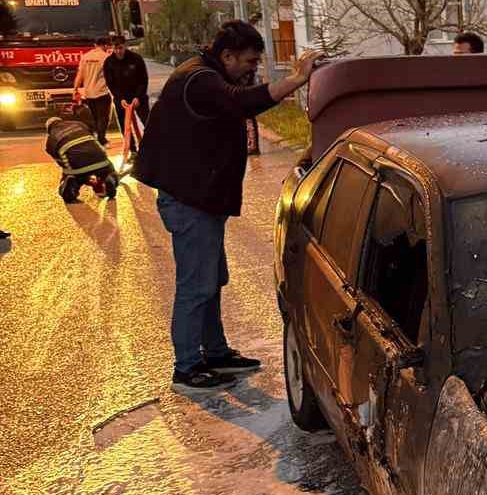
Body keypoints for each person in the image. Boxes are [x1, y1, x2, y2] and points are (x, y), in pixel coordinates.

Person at [136, 20, 319, 393]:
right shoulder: (200, 79)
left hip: (201, 198)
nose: (251, 70)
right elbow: (242, 104)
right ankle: (187, 367)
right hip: (189, 201)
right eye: (248, 62)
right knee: (195, 284)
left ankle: (215, 353)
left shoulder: (205, 74)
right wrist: (297, 79)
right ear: (227, 56)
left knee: (210, 281)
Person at [45, 104, 118, 202]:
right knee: (107, 169)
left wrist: (69, 174)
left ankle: (70, 186)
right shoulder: (78, 124)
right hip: (101, 161)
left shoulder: (51, 139)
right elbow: (91, 137)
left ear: (49, 130)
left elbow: (61, 162)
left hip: (78, 168)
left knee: (72, 174)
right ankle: (109, 177)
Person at [102, 33, 150, 143]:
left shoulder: (136, 59)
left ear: (125, 46)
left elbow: (143, 80)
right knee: (125, 125)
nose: (118, 51)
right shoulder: (109, 63)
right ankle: (131, 148)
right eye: (115, 48)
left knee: (147, 122)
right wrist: (120, 98)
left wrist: (138, 97)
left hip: (139, 96)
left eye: (120, 48)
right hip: (121, 98)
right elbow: (111, 84)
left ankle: (151, 145)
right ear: (112, 48)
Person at [73, 34, 112, 141]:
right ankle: (101, 139)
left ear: (95, 45)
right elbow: (111, 75)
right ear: (104, 45)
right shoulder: (106, 57)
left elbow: (80, 75)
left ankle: (96, 138)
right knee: (103, 117)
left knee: (95, 117)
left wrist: (75, 89)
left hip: (88, 94)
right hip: (102, 92)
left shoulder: (85, 57)